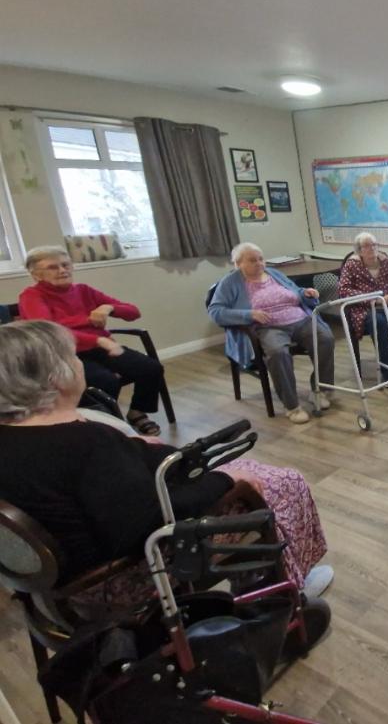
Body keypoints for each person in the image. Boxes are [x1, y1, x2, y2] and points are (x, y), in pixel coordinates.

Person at [0, 320, 332, 606]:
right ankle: (283, 593)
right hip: (117, 580)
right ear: (56, 379)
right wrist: (228, 480)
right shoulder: (86, 443)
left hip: (53, 585)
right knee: (279, 483)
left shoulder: (28, 436)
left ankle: (261, 578)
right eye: (74, 356)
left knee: (246, 474)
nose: (80, 363)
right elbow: (148, 521)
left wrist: (132, 447)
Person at [18, 246, 166, 436]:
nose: (62, 270)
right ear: (36, 275)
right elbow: (51, 332)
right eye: (53, 267)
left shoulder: (83, 290)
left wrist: (109, 307)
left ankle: (136, 412)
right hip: (62, 354)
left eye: (65, 265)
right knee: (105, 381)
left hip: (98, 347)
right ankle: (107, 427)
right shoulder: (31, 296)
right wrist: (96, 338)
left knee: (150, 368)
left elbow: (133, 312)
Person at [208, 243, 335, 424]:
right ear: (238, 263)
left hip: (300, 319)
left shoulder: (274, 273)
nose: (259, 263)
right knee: (277, 352)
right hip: (268, 326)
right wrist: (249, 314)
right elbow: (216, 312)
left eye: (261, 259)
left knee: (325, 338)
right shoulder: (230, 282)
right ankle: (292, 406)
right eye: (252, 260)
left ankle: (320, 390)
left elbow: (294, 292)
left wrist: (305, 293)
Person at [338, 232, 388, 383]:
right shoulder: (352, 265)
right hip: (366, 309)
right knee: (379, 323)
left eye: (374, 244)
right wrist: (373, 299)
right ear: (359, 250)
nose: (372, 248)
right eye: (367, 246)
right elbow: (344, 290)